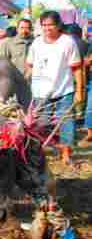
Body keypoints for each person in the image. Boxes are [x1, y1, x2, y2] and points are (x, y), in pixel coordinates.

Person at [25, 11, 84, 164]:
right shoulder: (36, 42)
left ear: (58, 25)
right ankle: (38, 152)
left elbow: (77, 68)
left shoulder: (68, 42)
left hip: (64, 90)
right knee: (40, 124)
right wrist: (25, 82)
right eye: (44, 25)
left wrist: (79, 91)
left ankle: (66, 154)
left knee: (67, 124)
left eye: (50, 24)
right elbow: (30, 66)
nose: (47, 28)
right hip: (40, 92)